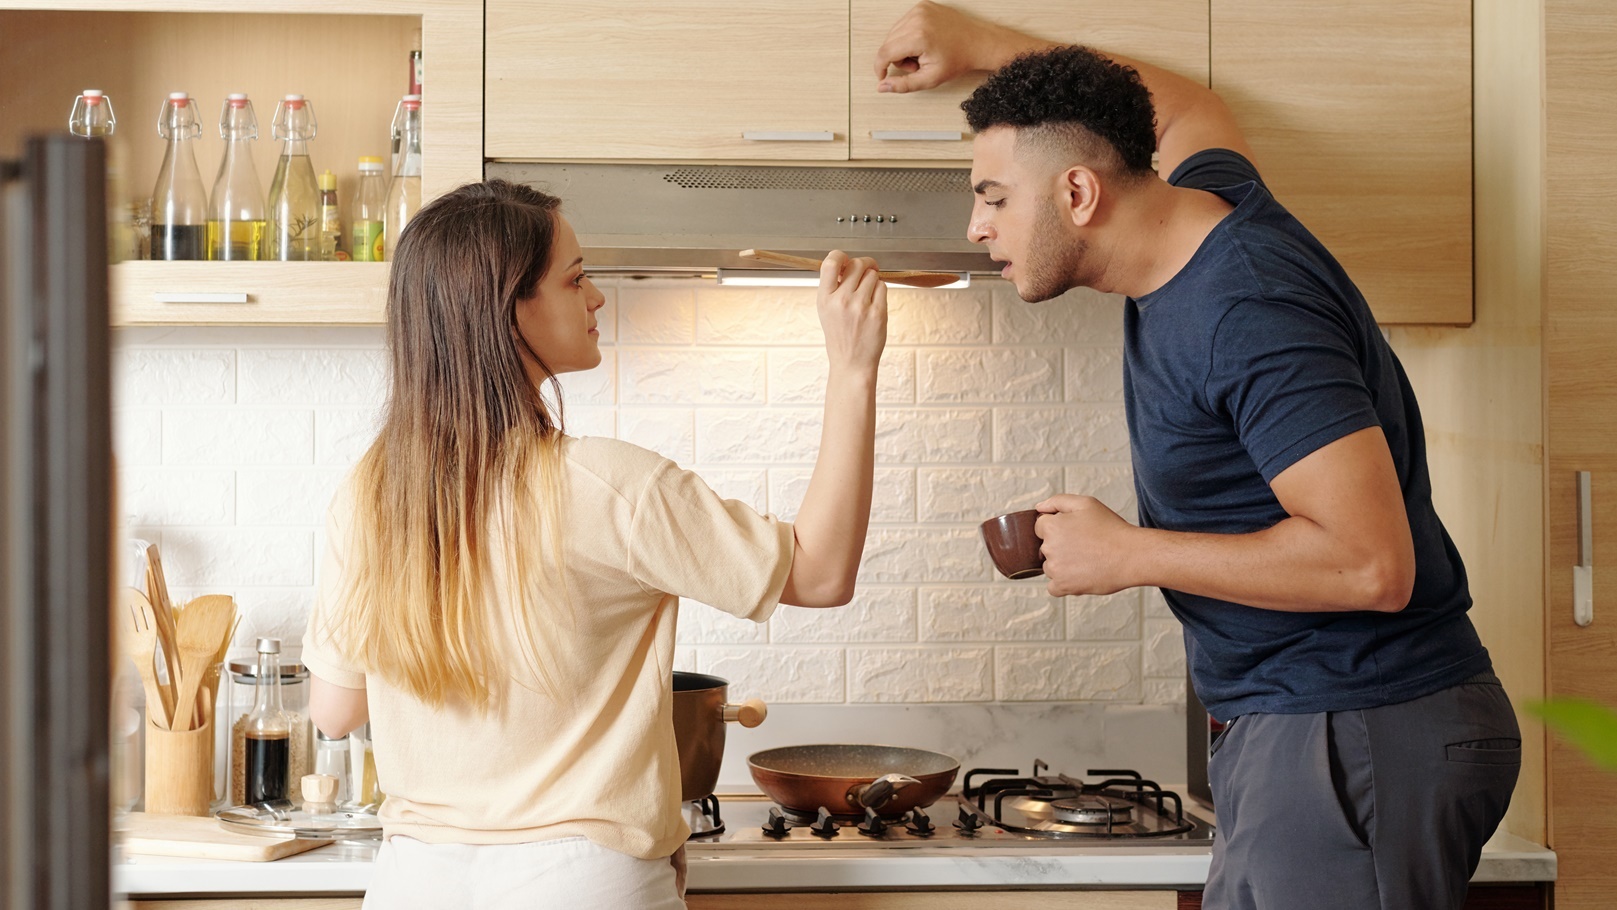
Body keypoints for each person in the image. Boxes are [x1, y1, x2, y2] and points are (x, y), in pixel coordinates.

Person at [873, 5, 1520, 909]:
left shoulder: (1246, 313)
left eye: (992, 196)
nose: (978, 227)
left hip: (1354, 727)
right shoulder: (1206, 206)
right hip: (1316, 727)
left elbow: (1372, 563)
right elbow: (1175, 108)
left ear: (1076, 194)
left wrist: (1131, 553)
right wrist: (980, 48)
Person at [300, 179, 887, 909]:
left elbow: (334, 711)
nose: (597, 298)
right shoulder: (606, 486)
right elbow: (823, 574)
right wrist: (853, 368)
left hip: (414, 882)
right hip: (580, 884)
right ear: (509, 309)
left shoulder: (371, 495)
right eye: (576, 279)